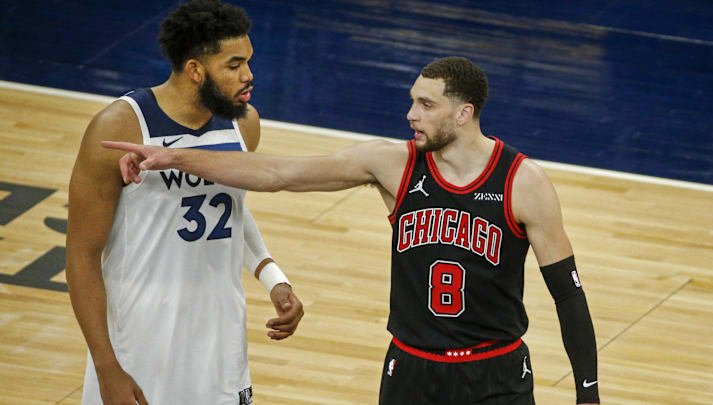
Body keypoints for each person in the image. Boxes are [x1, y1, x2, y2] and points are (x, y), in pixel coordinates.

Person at [104, 56, 601, 404]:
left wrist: (588, 395)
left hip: (494, 371)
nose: (411, 114)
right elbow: (278, 174)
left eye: (426, 105)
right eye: (412, 101)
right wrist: (170, 156)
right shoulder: (391, 164)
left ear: (464, 113)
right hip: (410, 367)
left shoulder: (523, 182)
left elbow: (568, 295)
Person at [66, 1, 304, 404]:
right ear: (195, 69)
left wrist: (272, 277)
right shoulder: (120, 125)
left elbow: (231, 207)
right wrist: (107, 366)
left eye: (248, 61)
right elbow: (81, 256)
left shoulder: (243, 122)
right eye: (234, 65)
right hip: (140, 342)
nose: (248, 75)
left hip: (219, 338)